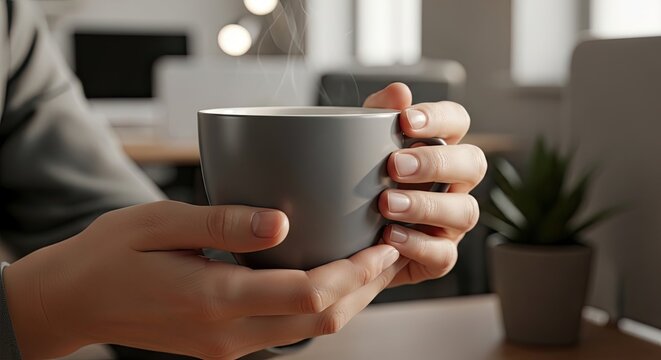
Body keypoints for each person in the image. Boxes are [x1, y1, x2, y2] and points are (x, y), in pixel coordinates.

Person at [0, 0, 487, 359]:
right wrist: (36, 306)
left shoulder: (10, 26)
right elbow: (88, 280)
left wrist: (283, 294)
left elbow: (127, 249)